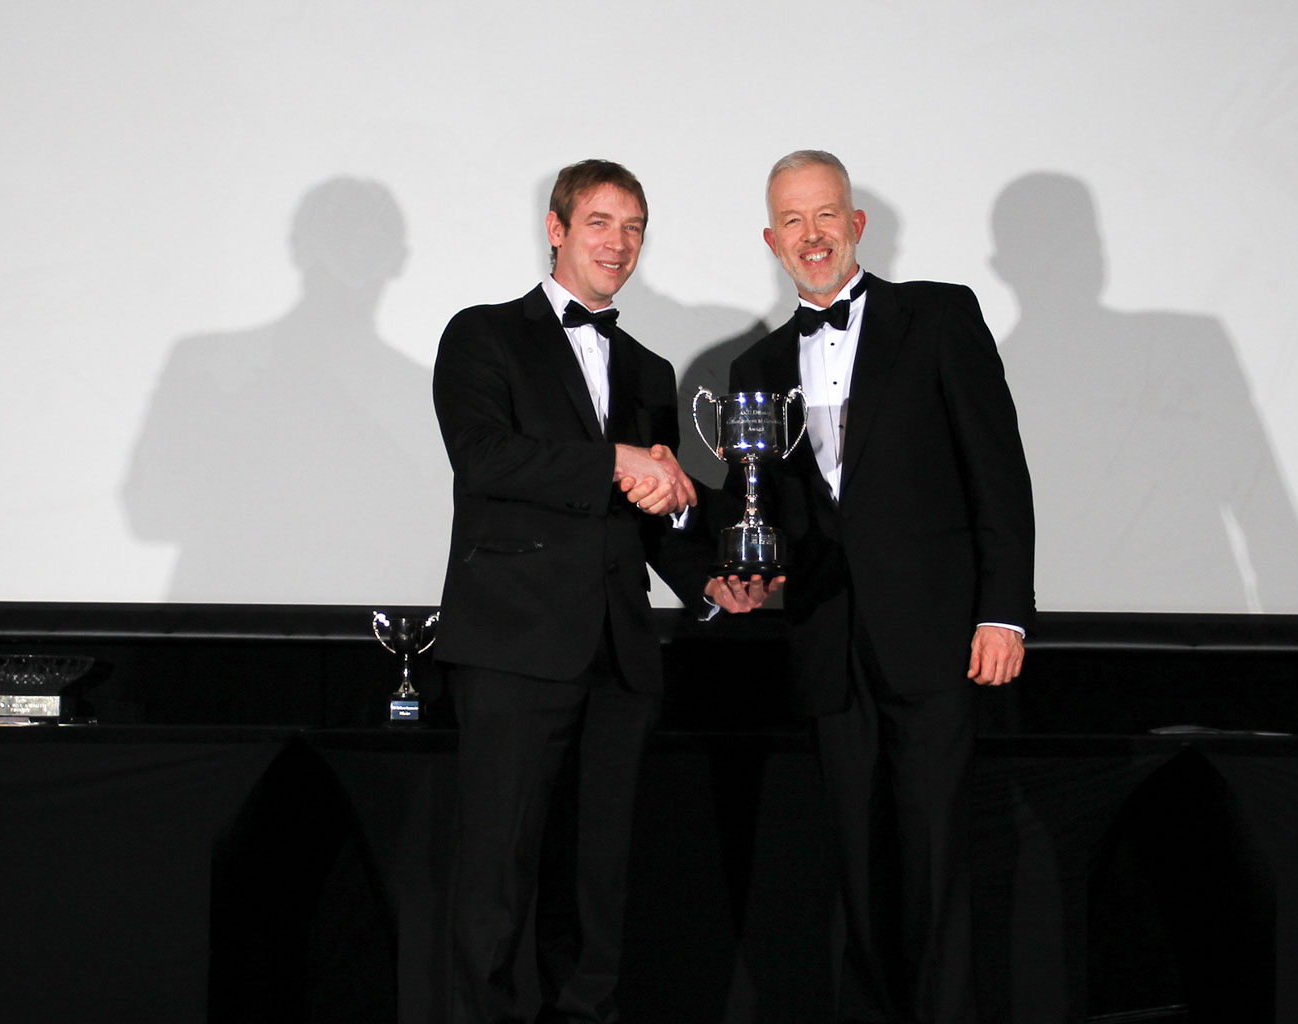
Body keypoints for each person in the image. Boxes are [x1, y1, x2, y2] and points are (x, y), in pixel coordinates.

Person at [432, 159, 748, 1024]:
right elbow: (485, 457)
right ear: (557, 228)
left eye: (634, 227)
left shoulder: (648, 369)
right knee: (497, 877)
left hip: (617, 656)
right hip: (514, 648)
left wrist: (708, 581)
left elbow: (649, 517)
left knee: (597, 884)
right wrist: (615, 459)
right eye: (601, 222)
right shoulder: (484, 335)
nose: (619, 243)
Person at [725, 150, 1035, 1024]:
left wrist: (1003, 612)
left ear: (855, 224)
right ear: (772, 241)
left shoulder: (937, 317)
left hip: (935, 638)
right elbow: (765, 511)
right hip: (829, 643)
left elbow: (998, 472)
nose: (812, 235)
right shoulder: (756, 369)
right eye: (793, 221)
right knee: (856, 870)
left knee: (936, 863)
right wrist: (738, 569)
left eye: (826, 214)